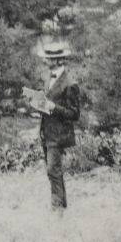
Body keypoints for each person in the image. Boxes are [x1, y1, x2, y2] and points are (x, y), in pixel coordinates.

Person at [30, 36, 83, 211]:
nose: (46, 61)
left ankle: (57, 209)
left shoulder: (70, 84)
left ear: (58, 60)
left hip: (59, 135)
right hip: (47, 132)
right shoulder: (49, 79)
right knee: (53, 172)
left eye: (49, 58)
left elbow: (74, 114)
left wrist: (53, 107)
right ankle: (61, 208)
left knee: (53, 170)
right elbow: (49, 104)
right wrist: (39, 104)